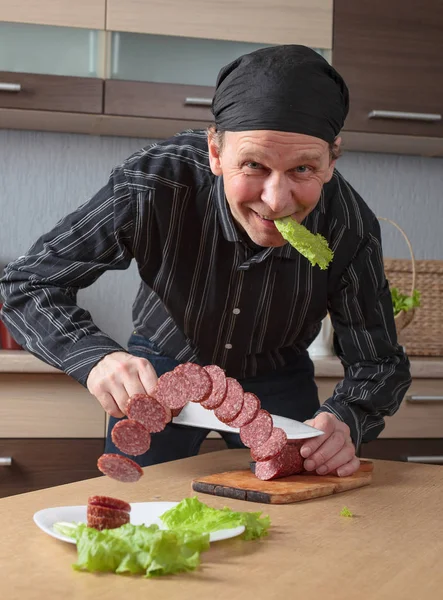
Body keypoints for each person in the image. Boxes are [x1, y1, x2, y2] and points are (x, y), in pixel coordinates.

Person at [0, 45, 411, 477]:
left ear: (332, 160)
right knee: (143, 502)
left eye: (303, 170)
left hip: (278, 377)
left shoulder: (350, 228)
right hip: (161, 367)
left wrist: (347, 418)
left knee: (298, 517)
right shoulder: (153, 184)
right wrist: (95, 356)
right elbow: (27, 285)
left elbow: (379, 362)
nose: (276, 201)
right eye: (253, 164)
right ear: (215, 152)